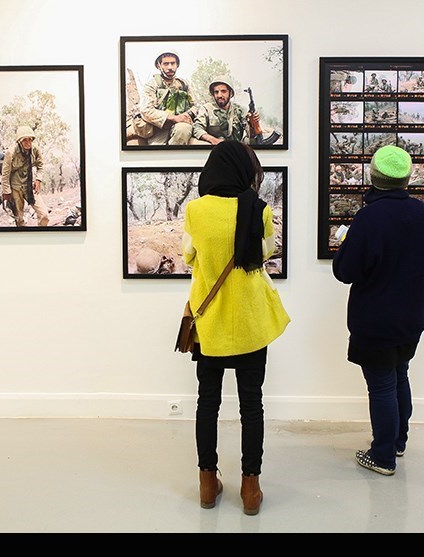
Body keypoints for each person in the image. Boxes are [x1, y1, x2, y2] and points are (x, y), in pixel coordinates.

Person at [182, 140, 290, 515]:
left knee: (207, 404)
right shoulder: (259, 209)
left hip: (209, 324)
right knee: (252, 406)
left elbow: (188, 255)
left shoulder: (195, 211)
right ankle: (250, 488)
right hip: (249, 323)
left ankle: (207, 485)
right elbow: (265, 253)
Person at [332, 145, 424, 476]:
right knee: (400, 374)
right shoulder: (419, 212)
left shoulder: (369, 216)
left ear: (374, 177)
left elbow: (347, 271)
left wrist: (346, 243)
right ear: (406, 178)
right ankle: (399, 440)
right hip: (411, 316)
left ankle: (383, 455)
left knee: (382, 386)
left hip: (377, 319)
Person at [139, 50, 195, 145]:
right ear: (158, 66)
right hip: (159, 128)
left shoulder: (184, 84)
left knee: (183, 130)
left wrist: (185, 115)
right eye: (166, 64)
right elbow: (146, 110)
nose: (170, 67)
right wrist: (172, 118)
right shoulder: (152, 84)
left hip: (181, 125)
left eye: (173, 63)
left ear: (177, 65)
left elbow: (195, 105)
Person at [1, 126, 50, 227]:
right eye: (24, 140)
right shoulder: (11, 152)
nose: (28, 142)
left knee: (44, 215)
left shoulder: (35, 149)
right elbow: (5, 174)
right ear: (19, 141)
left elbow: (40, 165)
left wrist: (38, 179)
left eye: (30, 139)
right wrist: (6, 192)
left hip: (29, 186)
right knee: (19, 219)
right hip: (15, 188)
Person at [192, 76, 259, 145]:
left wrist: (253, 125)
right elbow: (197, 128)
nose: (219, 95)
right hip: (214, 149)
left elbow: (250, 137)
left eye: (223, 91)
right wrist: (213, 140)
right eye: (216, 92)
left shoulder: (240, 111)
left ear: (231, 94)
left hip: (235, 149)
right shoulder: (206, 109)